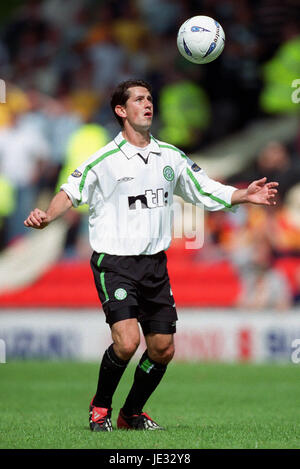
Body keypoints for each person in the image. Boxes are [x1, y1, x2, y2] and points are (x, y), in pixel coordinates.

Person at [24, 79, 278, 432]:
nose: (148, 104)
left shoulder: (169, 156)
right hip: (115, 263)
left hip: (154, 264)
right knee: (127, 342)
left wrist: (242, 195)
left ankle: (132, 413)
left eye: (149, 98)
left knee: (162, 350)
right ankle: (100, 408)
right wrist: (47, 216)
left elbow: (203, 188)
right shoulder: (104, 159)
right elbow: (70, 189)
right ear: (121, 110)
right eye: (139, 99)